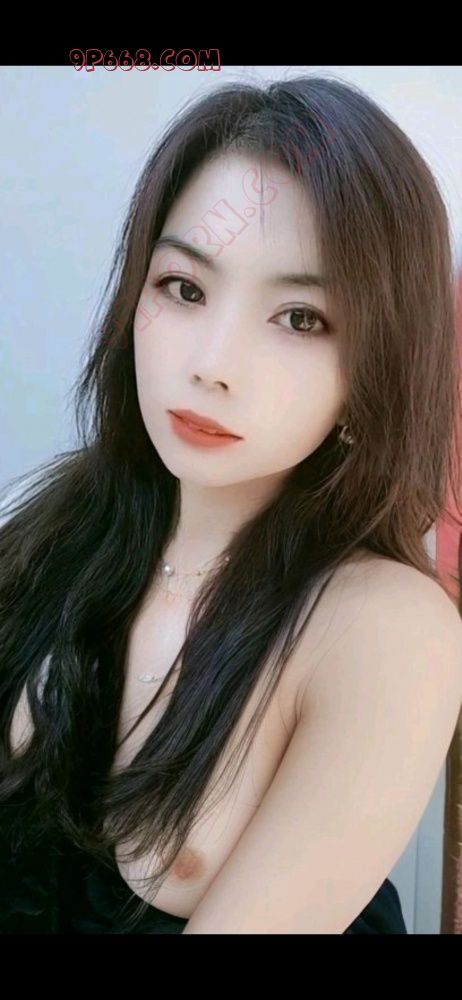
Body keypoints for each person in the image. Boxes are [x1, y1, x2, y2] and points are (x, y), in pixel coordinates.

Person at [1, 74, 461, 935]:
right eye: (184, 288)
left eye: (300, 318)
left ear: (378, 364)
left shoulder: (383, 630)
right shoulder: (60, 526)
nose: (211, 364)